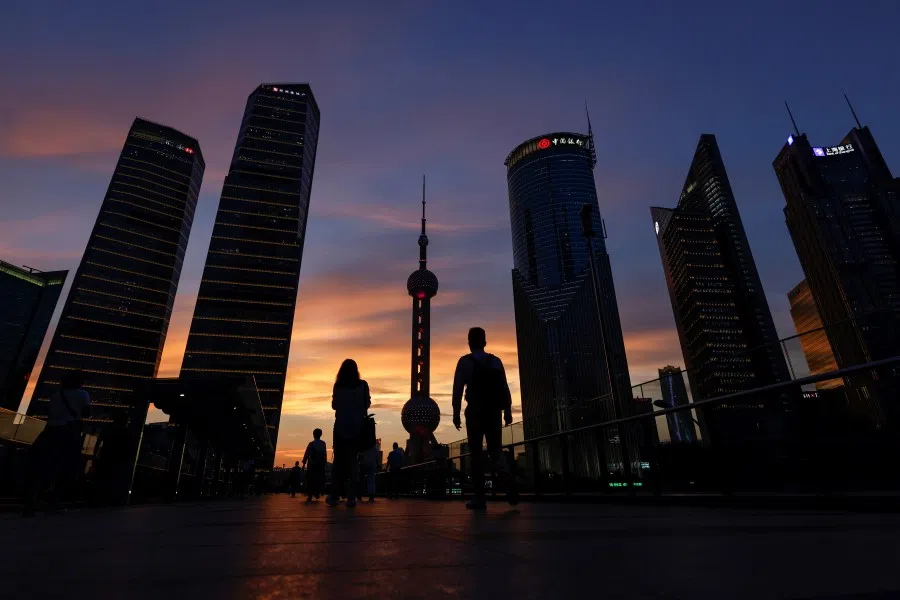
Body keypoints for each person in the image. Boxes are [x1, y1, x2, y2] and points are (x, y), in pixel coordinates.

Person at [452, 327, 518, 510]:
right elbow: (504, 387)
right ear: (485, 342)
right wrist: (507, 410)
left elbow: (458, 389)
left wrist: (456, 412)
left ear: (469, 343)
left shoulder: (465, 362)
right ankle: (509, 484)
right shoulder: (496, 361)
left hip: (475, 412)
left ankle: (479, 498)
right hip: (494, 412)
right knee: (495, 450)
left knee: (475, 454)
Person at [22, 370, 91, 516]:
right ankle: (54, 502)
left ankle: (31, 502)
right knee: (65, 467)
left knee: (42, 466)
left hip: (49, 432)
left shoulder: (56, 395)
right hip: (68, 432)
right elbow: (87, 413)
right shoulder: (82, 394)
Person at [326, 359, 371, 508]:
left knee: (338, 462)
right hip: (357, 428)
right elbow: (367, 404)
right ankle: (351, 497)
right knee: (353, 463)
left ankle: (335, 495)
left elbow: (334, 405)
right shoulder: (363, 385)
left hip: (341, 427)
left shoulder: (338, 385)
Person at [302, 428, 327, 503]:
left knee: (310, 480)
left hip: (312, 465)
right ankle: (317, 492)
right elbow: (324, 454)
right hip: (320, 464)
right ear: (320, 435)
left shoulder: (311, 444)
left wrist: (304, 463)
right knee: (319, 479)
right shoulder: (323, 443)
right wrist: (324, 463)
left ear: (313, 434)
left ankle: (310, 495)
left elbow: (307, 454)